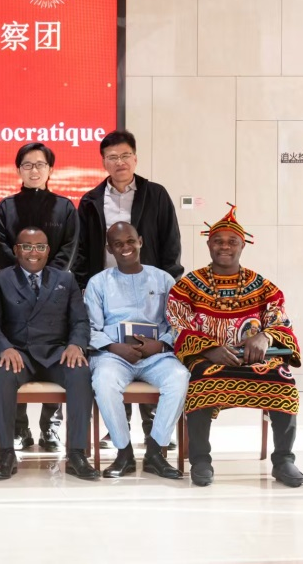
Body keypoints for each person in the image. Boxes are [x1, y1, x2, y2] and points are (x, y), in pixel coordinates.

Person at [166, 204, 303, 488]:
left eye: (232, 241)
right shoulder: (189, 285)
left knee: (282, 377)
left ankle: (283, 460)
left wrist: (265, 337)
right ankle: (201, 460)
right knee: (200, 379)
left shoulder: (262, 286)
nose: (225, 246)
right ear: (209, 245)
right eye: (218, 241)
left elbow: (280, 319)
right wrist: (208, 348)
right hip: (208, 358)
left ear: (243, 245)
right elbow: (177, 324)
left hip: (254, 358)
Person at [74, 130, 183, 450]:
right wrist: (83, 287)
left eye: (125, 156)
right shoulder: (91, 200)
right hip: (108, 292)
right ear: (103, 162)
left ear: (135, 158)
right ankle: (116, 430)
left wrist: (168, 284)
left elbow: (171, 243)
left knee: (153, 354)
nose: (119, 162)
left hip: (149, 291)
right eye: (112, 157)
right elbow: (83, 251)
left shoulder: (155, 194)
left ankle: (154, 430)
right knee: (113, 360)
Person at [0, 227, 99, 481]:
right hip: (18, 353)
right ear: (16, 250)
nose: (33, 252)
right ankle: (6, 453)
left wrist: (76, 345)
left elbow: (80, 321)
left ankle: (77, 454)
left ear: (48, 251)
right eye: (27, 246)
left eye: (40, 247)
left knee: (80, 372)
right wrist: (4, 347)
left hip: (56, 352)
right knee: (2, 375)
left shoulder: (65, 280)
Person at [0, 143, 78, 452]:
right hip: (14, 291)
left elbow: (69, 248)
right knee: (14, 356)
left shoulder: (65, 207)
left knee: (55, 348)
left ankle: (50, 427)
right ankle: (19, 429)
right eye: (27, 165)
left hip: (54, 292)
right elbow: (2, 249)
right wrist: (24, 278)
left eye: (40, 164)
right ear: (19, 170)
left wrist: (46, 279)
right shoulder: (6, 207)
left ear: (50, 169)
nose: (34, 170)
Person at [84, 222, 187, 479]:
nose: (125, 247)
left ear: (140, 241)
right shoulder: (98, 283)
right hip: (113, 355)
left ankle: (155, 451)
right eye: (118, 244)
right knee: (104, 381)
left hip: (157, 356)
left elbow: (178, 324)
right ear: (109, 249)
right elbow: (90, 327)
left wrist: (160, 344)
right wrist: (114, 347)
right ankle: (124, 452)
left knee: (179, 377)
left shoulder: (164, 279)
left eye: (130, 241)